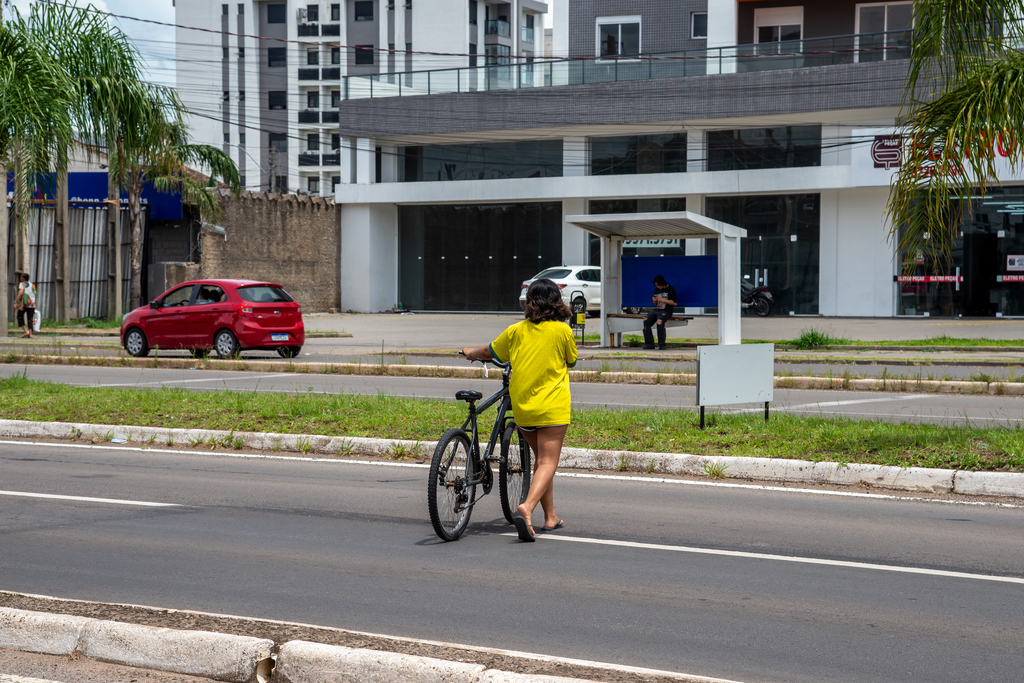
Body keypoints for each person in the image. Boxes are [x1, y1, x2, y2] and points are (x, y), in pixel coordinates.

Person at [462, 278, 577, 543]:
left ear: (529, 302)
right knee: (548, 462)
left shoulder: (516, 330)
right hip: (551, 406)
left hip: (523, 407)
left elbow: (489, 351)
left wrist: (470, 352)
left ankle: (551, 517)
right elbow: (570, 361)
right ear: (555, 301)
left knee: (541, 462)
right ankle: (527, 507)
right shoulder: (562, 331)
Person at [643, 274, 677, 350]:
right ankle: (650, 344)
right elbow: (656, 304)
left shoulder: (671, 289)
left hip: (666, 310)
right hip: (657, 309)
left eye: (658, 285)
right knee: (646, 321)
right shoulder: (657, 289)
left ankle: (662, 345)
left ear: (662, 283)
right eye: (656, 285)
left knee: (659, 322)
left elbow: (674, 303)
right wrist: (654, 300)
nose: (657, 287)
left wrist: (663, 300)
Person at [15, 273, 36, 339]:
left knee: (20, 316)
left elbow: (20, 293)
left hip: (24, 303)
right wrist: (35, 305)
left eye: (21, 277)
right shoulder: (32, 285)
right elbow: (34, 295)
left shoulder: (22, 284)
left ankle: (26, 331)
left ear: (23, 278)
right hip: (32, 303)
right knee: (30, 318)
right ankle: (30, 334)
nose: (20, 278)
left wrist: (15, 301)